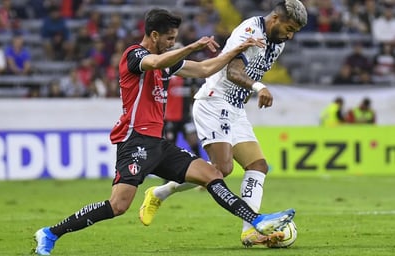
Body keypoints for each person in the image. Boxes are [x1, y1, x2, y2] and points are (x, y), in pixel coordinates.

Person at [33, 8, 295, 255]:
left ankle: (256, 221)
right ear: (154, 35)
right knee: (118, 206)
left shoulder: (167, 61)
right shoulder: (134, 55)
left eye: (176, 39)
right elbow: (156, 62)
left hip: (158, 144)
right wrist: (192, 47)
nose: (172, 43)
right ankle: (50, 233)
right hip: (134, 141)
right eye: (169, 39)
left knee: (213, 174)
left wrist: (236, 50)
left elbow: (204, 69)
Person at [139, 0, 307, 248]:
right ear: (276, 19)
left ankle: (250, 231)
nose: (290, 36)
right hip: (214, 103)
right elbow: (233, 72)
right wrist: (259, 87)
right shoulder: (250, 30)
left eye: (294, 32)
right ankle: (158, 193)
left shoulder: (277, 43)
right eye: (289, 28)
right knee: (222, 169)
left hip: (235, 109)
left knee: (258, 165)